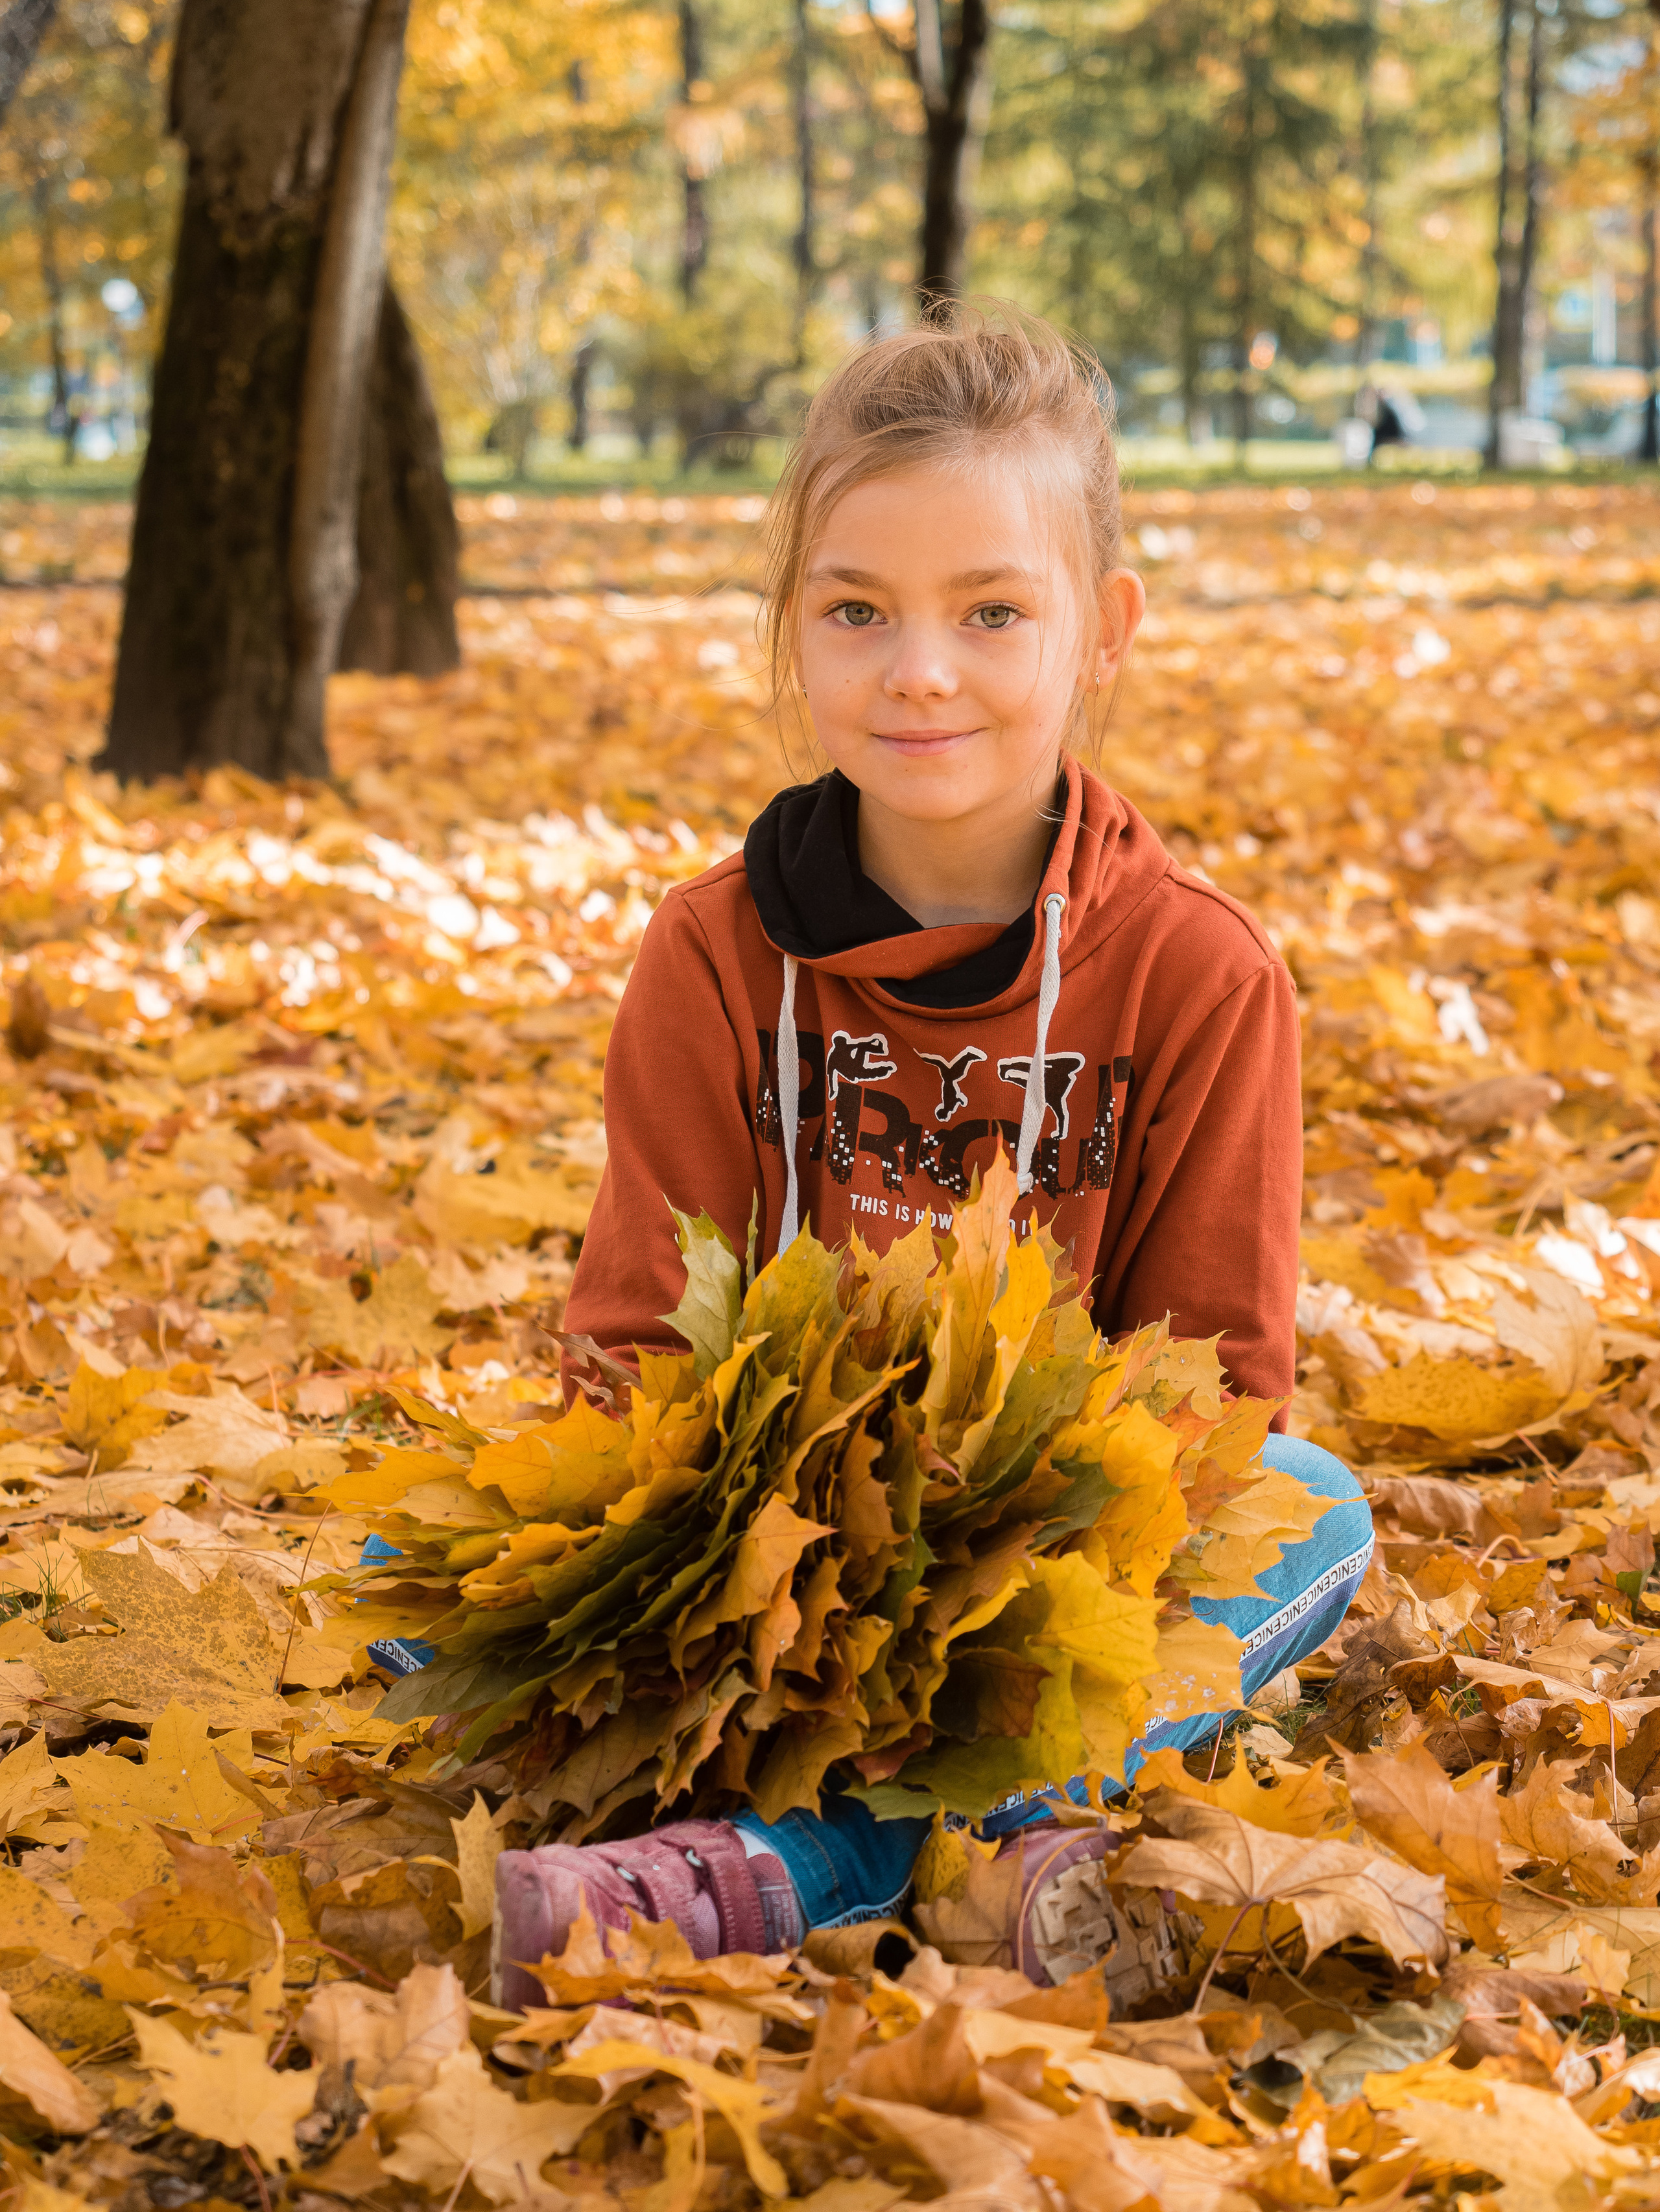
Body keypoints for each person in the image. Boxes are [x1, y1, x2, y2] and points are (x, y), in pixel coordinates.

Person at [489, 305, 1373, 2008]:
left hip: (1060, 1578)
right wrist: (743, 1591)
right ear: (793, 628)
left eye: (992, 610)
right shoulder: (712, 959)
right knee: (406, 1584)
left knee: (1315, 1513)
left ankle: (780, 1870)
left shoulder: (1198, 976)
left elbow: (1219, 1402)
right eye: (857, 610)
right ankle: (1016, 1846)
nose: (921, 671)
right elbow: (632, 1349)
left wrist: (988, 1577)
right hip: (769, 1581)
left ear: (1102, 629)